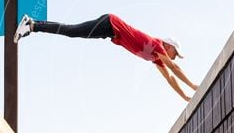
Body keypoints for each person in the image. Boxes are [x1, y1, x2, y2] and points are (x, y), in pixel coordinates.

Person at [14, 13, 199, 101]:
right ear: (169, 46)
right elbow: (174, 69)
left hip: (109, 31)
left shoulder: (156, 58)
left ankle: (33, 25)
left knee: (72, 30)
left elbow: (170, 77)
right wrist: (192, 85)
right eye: (175, 53)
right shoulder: (157, 45)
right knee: (72, 31)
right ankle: (32, 25)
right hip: (110, 24)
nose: (175, 58)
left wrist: (184, 96)